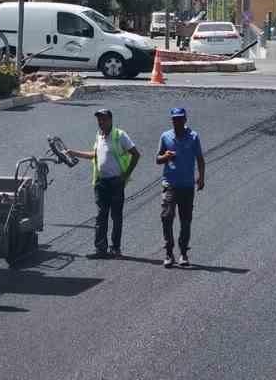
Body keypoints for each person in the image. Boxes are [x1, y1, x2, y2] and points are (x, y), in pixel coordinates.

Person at [67, 108, 140, 259]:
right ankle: (100, 249)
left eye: (104, 119)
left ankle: (115, 248)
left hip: (116, 182)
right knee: (101, 216)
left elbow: (136, 154)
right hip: (101, 182)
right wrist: (74, 153)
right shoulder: (99, 135)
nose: (101, 122)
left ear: (111, 120)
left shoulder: (120, 135)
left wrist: (125, 175)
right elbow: (95, 155)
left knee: (116, 216)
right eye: (99, 119)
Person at [154, 106, 205, 268]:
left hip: (187, 186)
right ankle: (169, 253)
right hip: (170, 184)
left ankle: (183, 253)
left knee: (186, 220)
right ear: (172, 120)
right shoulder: (165, 136)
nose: (177, 121)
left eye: (180, 118)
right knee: (166, 217)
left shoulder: (193, 136)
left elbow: (200, 159)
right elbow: (158, 159)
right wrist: (166, 156)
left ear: (185, 119)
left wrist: (201, 177)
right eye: (175, 119)